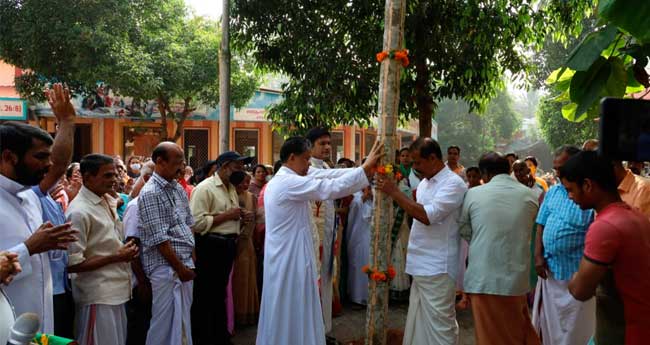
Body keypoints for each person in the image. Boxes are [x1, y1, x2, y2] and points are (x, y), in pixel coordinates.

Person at [256, 137, 383, 345]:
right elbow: (328, 188)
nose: (309, 164)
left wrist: (362, 169)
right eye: (306, 159)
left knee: (298, 306)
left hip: (293, 255)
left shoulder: (294, 174)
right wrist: (364, 171)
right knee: (289, 306)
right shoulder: (287, 182)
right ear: (291, 157)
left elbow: (327, 174)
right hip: (288, 259)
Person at [0, 83, 77, 333]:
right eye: (40, 157)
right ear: (9, 157)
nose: (48, 164)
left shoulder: (28, 194)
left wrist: (66, 121)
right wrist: (30, 247)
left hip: (40, 328)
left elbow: (58, 165)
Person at [376, 137, 467, 345]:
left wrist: (394, 192)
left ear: (433, 158)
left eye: (418, 162)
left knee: (440, 326)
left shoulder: (454, 184)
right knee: (420, 323)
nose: (414, 167)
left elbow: (427, 216)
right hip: (420, 263)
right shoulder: (425, 183)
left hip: (438, 266)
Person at [560, 151, 650, 345]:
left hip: (623, 333)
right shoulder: (635, 216)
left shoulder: (605, 227)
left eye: (570, 189)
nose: (569, 197)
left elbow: (580, 291)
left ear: (587, 185)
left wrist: (576, 278)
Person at [459, 152, 540, 345]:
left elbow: (464, 229)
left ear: (485, 174)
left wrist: (483, 241)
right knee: (516, 330)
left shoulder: (473, 193)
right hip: (516, 279)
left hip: (483, 277)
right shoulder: (530, 195)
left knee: (490, 337)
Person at [66, 154, 138, 345]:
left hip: (117, 292)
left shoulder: (107, 200)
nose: (114, 180)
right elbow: (72, 265)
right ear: (88, 177)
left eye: (115, 175)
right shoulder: (79, 211)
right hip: (97, 296)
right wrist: (117, 256)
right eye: (107, 176)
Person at [531, 146, 596, 345]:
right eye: (556, 169)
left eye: (563, 168)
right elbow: (541, 224)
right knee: (550, 329)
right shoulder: (553, 192)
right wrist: (538, 255)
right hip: (550, 273)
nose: (558, 173)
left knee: (576, 333)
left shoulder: (589, 193)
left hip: (577, 277)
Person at [190, 151, 252, 344]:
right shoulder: (205, 188)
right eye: (237, 167)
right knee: (206, 295)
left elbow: (228, 216)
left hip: (226, 246)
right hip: (210, 246)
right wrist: (228, 216)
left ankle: (219, 335)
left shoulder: (230, 188)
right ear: (224, 167)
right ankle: (204, 337)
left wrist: (240, 217)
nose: (240, 171)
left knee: (219, 295)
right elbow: (196, 223)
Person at [138, 142, 196, 345]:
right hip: (166, 269)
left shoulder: (177, 190)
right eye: (177, 163)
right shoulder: (150, 193)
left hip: (185, 265)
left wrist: (191, 260)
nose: (181, 168)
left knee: (182, 322)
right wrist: (180, 268)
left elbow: (189, 224)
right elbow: (159, 240)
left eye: (182, 163)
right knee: (163, 325)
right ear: (159, 162)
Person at [305, 127, 337, 335]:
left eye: (328, 143)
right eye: (321, 143)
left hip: (327, 233)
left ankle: (324, 330)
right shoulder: (306, 169)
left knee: (326, 279)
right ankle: (311, 331)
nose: (327, 147)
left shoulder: (326, 166)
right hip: (312, 234)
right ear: (310, 146)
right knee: (312, 280)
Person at [123, 161, 155, 345]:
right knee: (139, 330)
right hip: (140, 281)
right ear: (149, 178)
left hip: (152, 279)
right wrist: (142, 280)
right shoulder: (137, 206)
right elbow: (131, 244)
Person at [232, 173, 260, 325]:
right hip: (232, 241)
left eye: (248, 182)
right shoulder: (230, 195)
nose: (245, 185)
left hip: (247, 243)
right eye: (243, 181)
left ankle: (246, 313)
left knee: (247, 277)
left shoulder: (252, 198)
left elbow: (256, 219)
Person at [346, 185, 372, 305]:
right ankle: (356, 297)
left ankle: (368, 296)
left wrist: (371, 197)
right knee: (357, 266)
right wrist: (363, 198)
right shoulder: (356, 196)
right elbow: (354, 209)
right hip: (357, 235)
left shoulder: (374, 196)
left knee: (368, 263)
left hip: (369, 235)